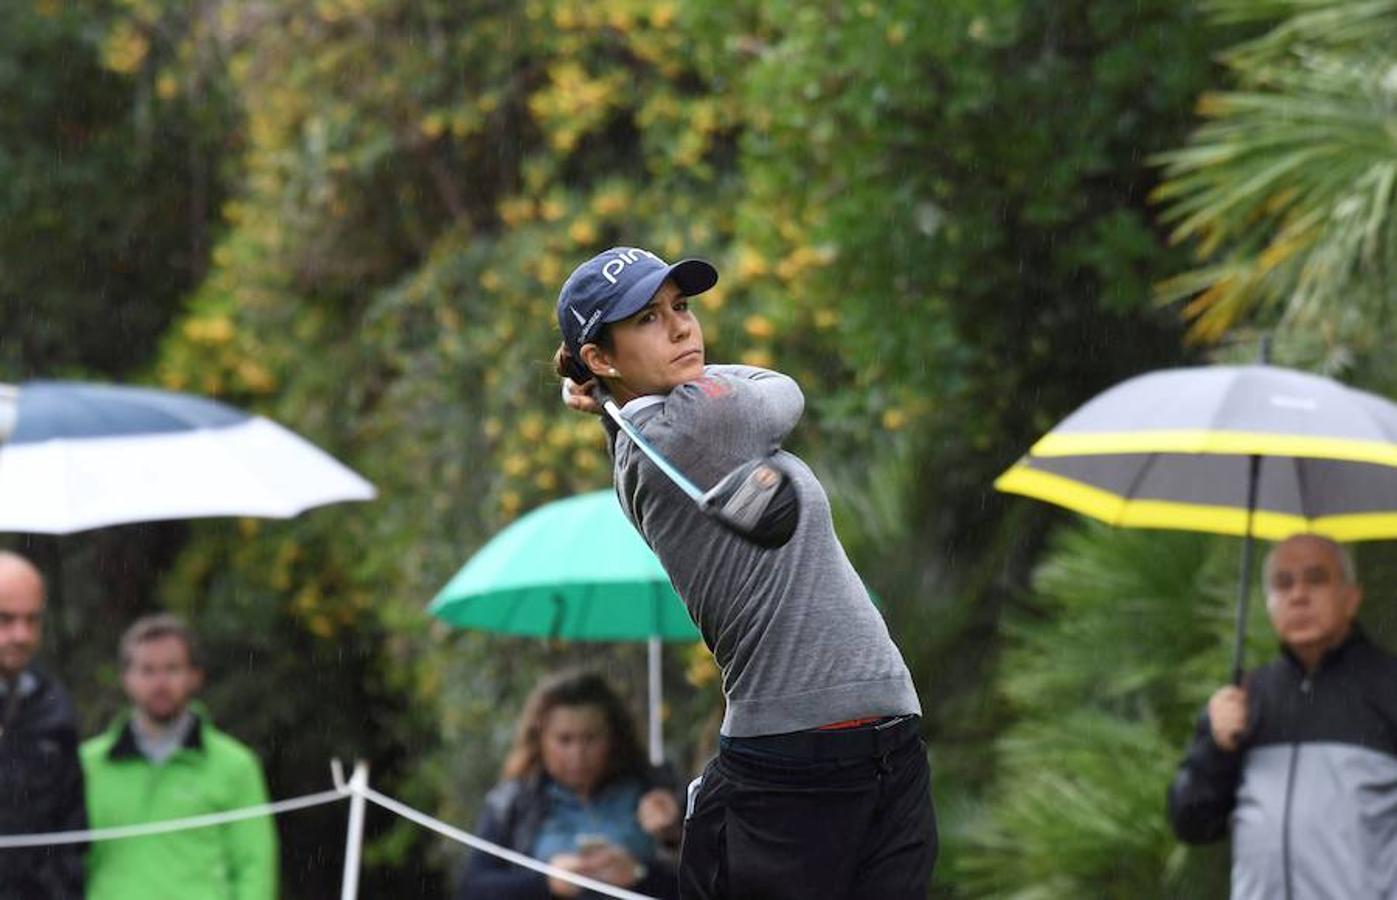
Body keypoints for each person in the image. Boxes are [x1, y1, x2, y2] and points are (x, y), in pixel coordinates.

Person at [553, 247, 937, 899]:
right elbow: (782, 390)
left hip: (882, 745)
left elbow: (734, 394)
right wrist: (618, 390)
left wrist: (611, 389)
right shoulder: (692, 423)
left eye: (680, 307)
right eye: (648, 318)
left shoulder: (649, 429)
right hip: (798, 763)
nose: (681, 327)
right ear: (599, 357)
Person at [1167, 533, 1397, 899]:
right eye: (1283, 583)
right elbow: (1191, 824)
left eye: (1316, 579)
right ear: (1269, 603)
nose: (1298, 595)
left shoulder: (1387, 686)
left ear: (1352, 597)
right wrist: (1214, 747)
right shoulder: (1246, 697)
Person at [81, 613, 277, 900]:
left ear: (195, 676)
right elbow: (64, 864)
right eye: (147, 670)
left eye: (172, 669)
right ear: (126, 678)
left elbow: (254, 869)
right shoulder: (87, 765)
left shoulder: (236, 765)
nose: (160, 683)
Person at [457, 669, 682, 899]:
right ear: (540, 739)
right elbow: (472, 889)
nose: (578, 754)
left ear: (613, 737)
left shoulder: (655, 794)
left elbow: (697, 886)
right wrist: (547, 883)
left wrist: (640, 874)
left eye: (590, 738)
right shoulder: (513, 803)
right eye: (565, 740)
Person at [0, 551, 86, 900]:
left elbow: (73, 828)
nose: (21, 635)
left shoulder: (54, 707)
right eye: (5, 619)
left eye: (32, 619)